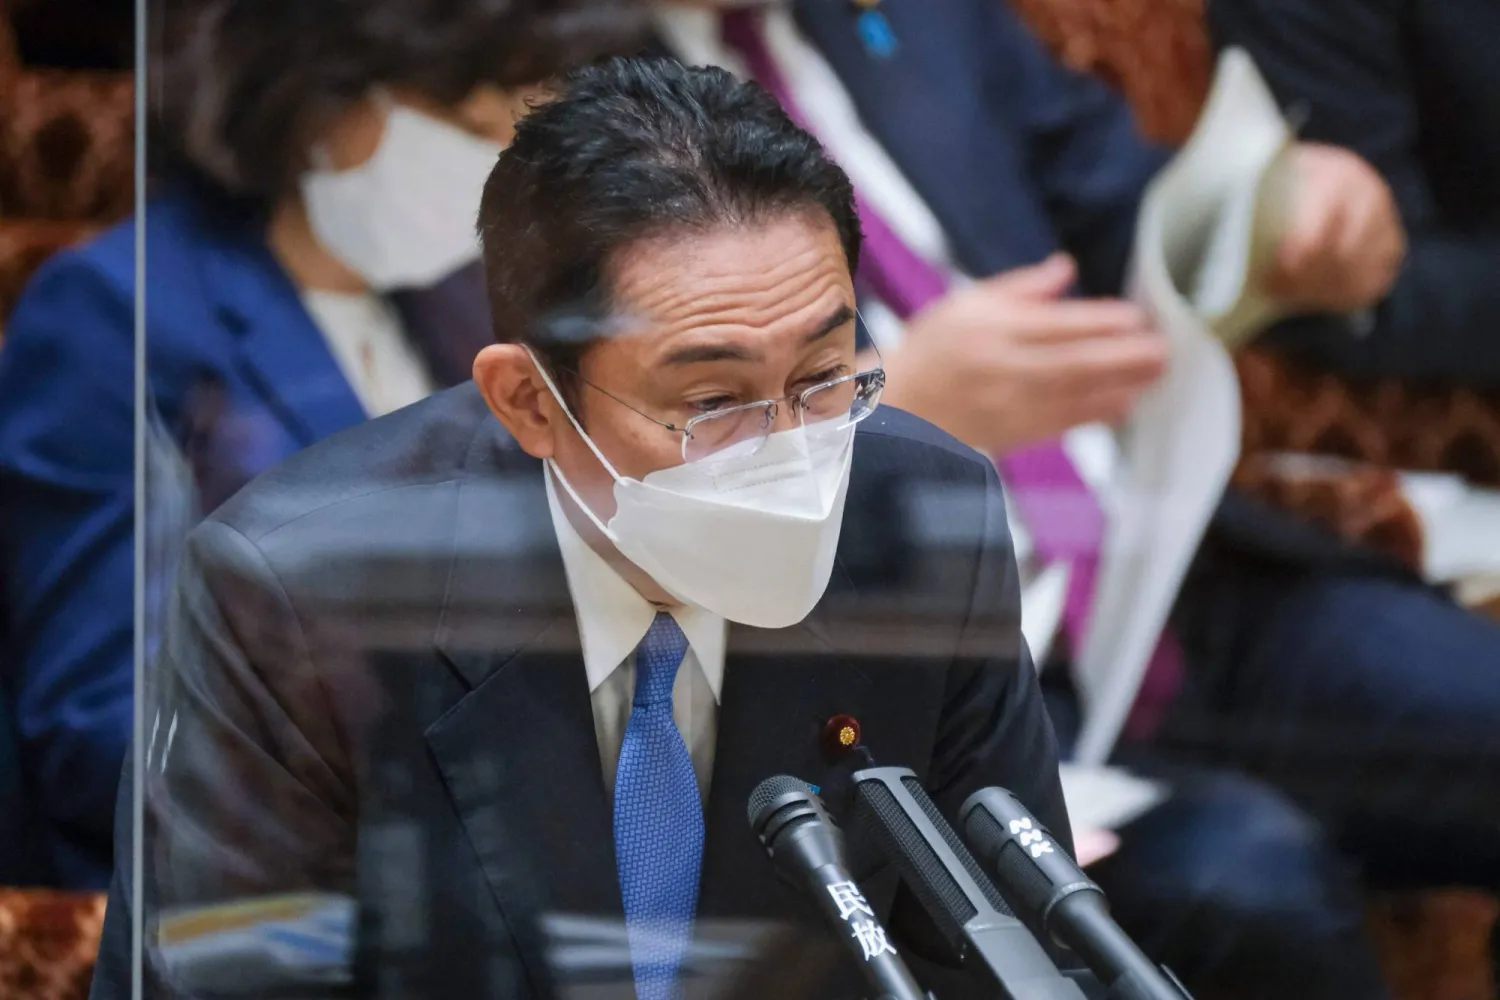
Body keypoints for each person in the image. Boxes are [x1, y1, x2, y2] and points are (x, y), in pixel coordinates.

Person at [90, 57, 1072, 1000]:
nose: (790, 453)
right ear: (529, 402)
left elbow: (1007, 960)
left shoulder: (929, 527)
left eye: (824, 377)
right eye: (712, 400)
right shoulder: (291, 600)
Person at [653, 2, 1500, 997]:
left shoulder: (911, 18)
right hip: (923, 700)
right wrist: (878, 419)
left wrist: (1284, 214)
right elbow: (584, 520)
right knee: (1247, 881)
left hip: (1161, 587)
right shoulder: (547, 116)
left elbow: (1131, 208)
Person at [0, 0, 643, 889]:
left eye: (526, 123)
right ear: (310, 102)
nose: (504, 163)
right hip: (277, 910)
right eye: (466, 122)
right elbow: (107, 729)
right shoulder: (122, 313)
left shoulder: (466, 307)